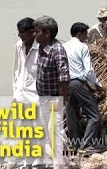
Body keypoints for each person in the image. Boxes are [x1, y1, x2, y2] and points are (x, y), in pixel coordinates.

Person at [63, 22, 105, 156]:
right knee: (94, 116)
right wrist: (97, 85)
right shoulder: (82, 47)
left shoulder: (63, 47)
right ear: (79, 33)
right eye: (85, 34)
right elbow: (88, 71)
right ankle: (86, 145)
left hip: (66, 84)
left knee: (72, 115)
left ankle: (75, 145)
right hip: (78, 83)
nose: (86, 37)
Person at [34, 15, 70, 169]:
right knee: (43, 130)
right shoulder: (41, 48)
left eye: (37, 31)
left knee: (55, 131)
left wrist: (61, 101)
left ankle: (58, 164)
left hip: (54, 99)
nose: (34, 34)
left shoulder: (57, 50)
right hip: (42, 97)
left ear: (47, 33)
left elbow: (64, 78)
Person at [9, 17, 39, 168]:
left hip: (36, 96)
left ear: (33, 32)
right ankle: (28, 161)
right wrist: (15, 90)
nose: (21, 37)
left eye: (23, 33)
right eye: (19, 33)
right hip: (21, 95)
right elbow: (16, 69)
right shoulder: (18, 45)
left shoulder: (42, 48)